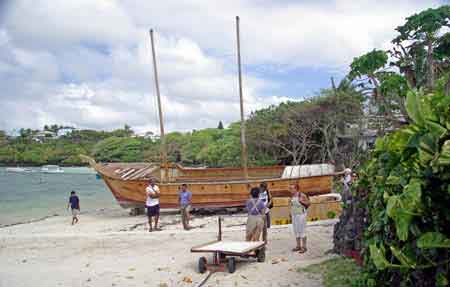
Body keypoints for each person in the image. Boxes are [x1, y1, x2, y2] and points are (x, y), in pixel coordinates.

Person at [289, 184, 310, 253]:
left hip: (301, 215)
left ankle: (304, 247)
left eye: (292, 188)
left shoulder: (302, 195)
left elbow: (308, 203)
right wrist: (290, 213)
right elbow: (292, 205)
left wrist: (302, 201)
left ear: (296, 189)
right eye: (290, 188)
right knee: (296, 230)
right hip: (294, 215)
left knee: (302, 230)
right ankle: (298, 246)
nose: (291, 190)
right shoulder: (292, 196)